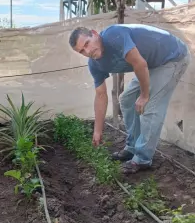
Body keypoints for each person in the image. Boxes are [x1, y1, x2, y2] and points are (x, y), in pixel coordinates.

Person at [68, 24, 191, 174]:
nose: (87, 51)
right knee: (126, 99)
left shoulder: (114, 36)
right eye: (82, 51)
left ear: (94, 33)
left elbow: (139, 63)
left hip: (172, 57)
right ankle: (132, 146)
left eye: (87, 43)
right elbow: (101, 95)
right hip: (151, 64)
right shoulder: (95, 65)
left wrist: (144, 96)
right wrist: (97, 131)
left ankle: (143, 158)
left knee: (150, 106)